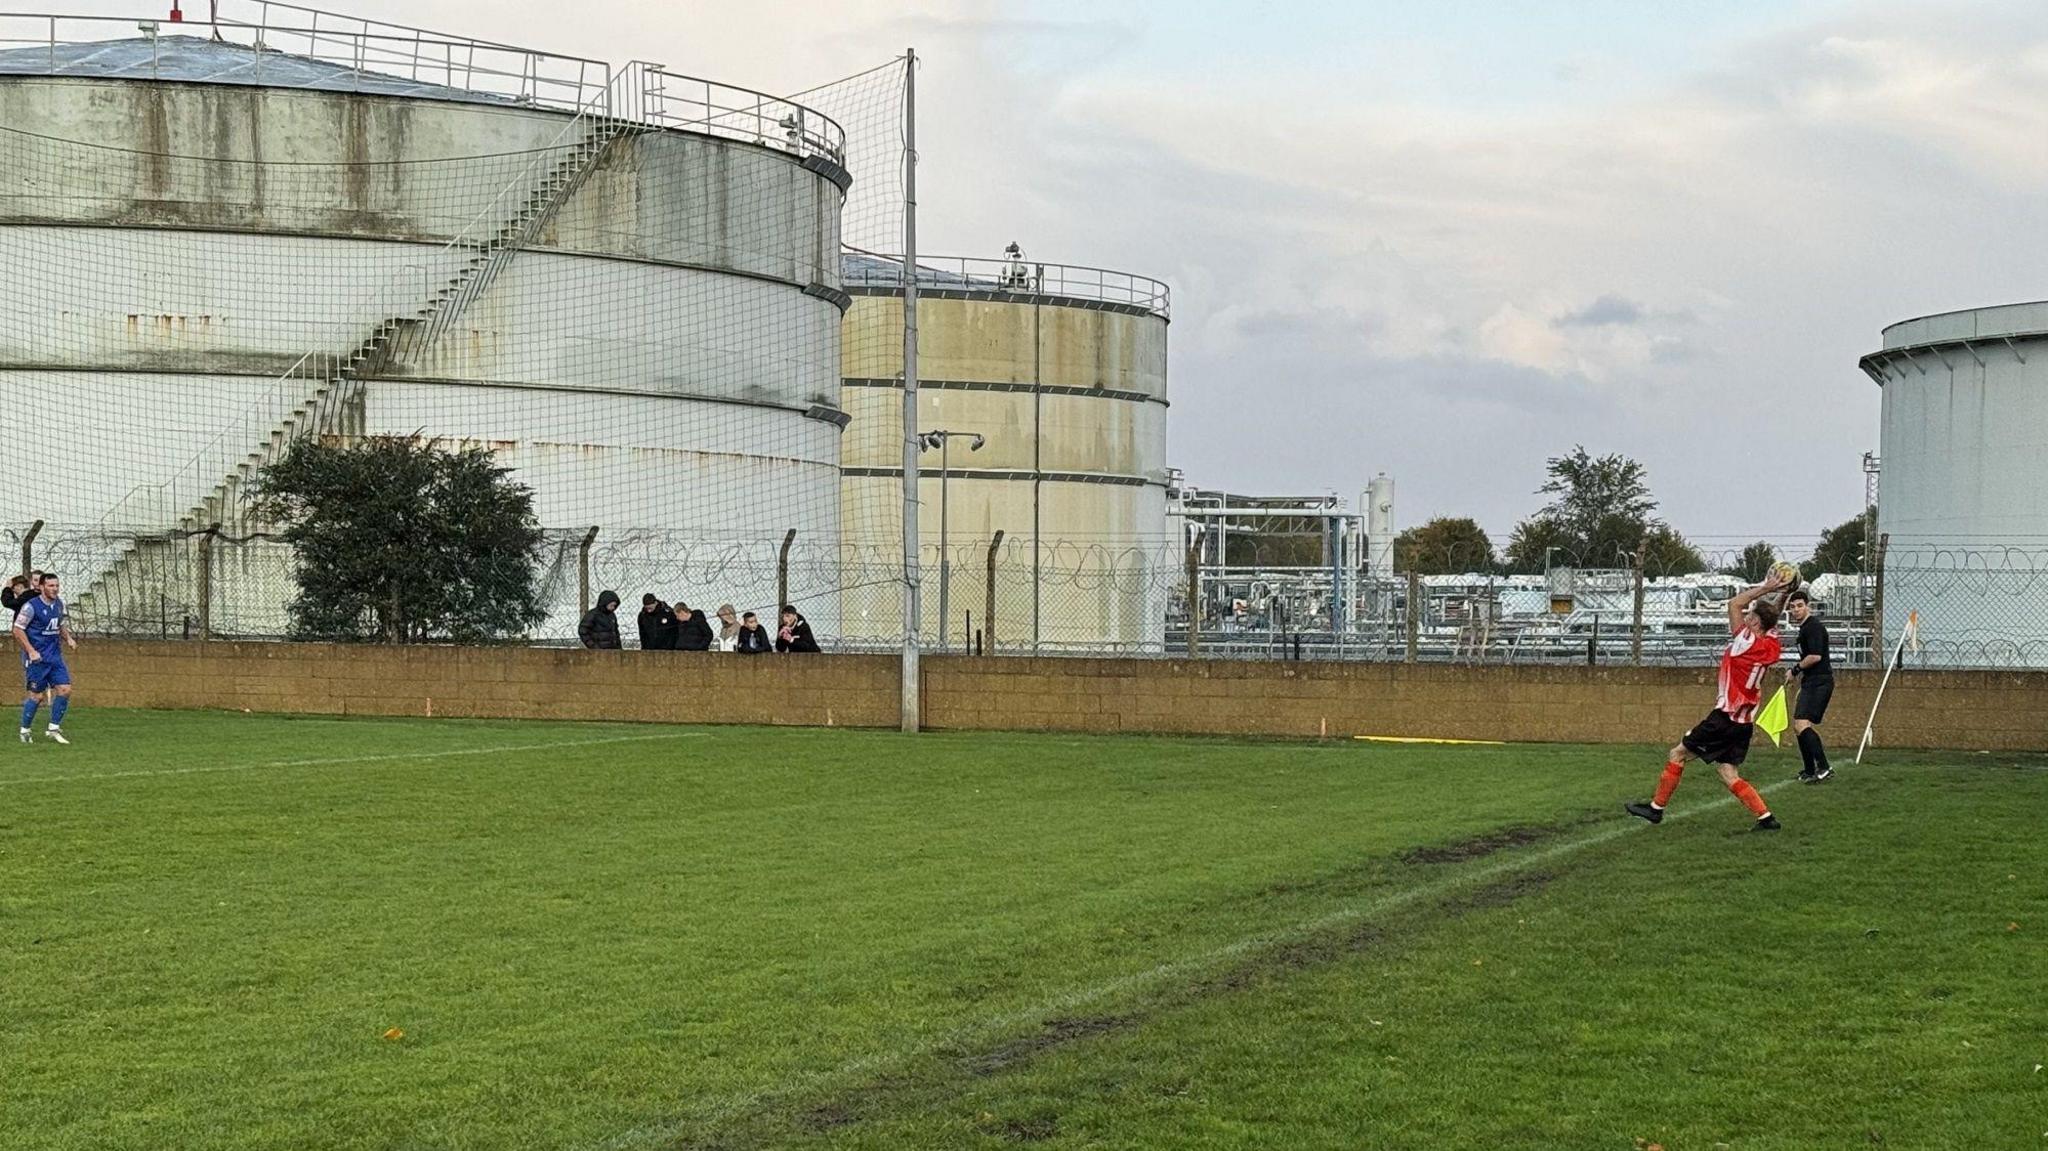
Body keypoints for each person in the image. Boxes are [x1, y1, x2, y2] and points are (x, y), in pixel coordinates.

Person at [1626, 570, 1792, 831]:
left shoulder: (1745, 641)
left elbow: (1733, 603)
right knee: (1728, 773)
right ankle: (1766, 818)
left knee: (1677, 754)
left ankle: (1655, 809)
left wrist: (1766, 586)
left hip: (1724, 718)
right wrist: (1783, 594)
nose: (1744, 617)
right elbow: (1771, 620)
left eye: (1750, 615)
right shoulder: (1771, 645)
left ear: (1756, 623)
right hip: (1744, 722)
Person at [14, 571, 77, 744]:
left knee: (65, 689)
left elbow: (59, 624)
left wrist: (68, 638)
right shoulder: (30, 606)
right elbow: (17, 629)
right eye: (51, 585)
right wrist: (31, 650)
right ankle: (25, 730)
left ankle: (53, 729)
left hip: (54, 656)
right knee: (37, 697)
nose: (55, 589)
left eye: (56, 585)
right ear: (41, 587)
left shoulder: (58, 604)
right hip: (37, 658)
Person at [1785, 590, 1834, 783]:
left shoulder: (1813, 627)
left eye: (1800, 606)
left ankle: (1824, 767)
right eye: (1793, 607)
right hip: (1811, 682)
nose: (1796, 610)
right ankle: (1809, 769)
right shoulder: (1804, 628)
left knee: (1801, 724)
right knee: (1798, 727)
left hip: (1820, 681)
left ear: (1808, 606)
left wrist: (1794, 670)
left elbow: (1815, 656)